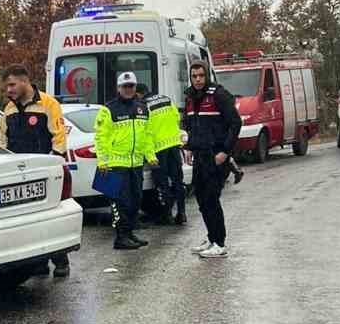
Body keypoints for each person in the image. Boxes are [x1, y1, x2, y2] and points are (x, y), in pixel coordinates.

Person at [0, 65, 71, 278]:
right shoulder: (9, 109)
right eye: (6, 86)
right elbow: (2, 141)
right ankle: (38, 262)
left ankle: (60, 260)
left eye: (11, 85)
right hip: (18, 174)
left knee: (51, 217)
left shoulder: (48, 104)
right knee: (27, 220)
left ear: (25, 81)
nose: (8, 90)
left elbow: (59, 137)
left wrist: (54, 165)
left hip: (44, 172)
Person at [183, 60, 243, 259]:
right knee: (201, 199)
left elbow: (235, 123)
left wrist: (225, 152)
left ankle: (220, 243)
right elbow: (189, 124)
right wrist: (188, 146)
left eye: (201, 75)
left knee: (211, 199)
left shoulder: (218, 94)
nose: (198, 79)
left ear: (206, 75)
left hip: (216, 156)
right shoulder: (190, 97)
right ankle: (211, 238)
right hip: (199, 156)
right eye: (194, 76)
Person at [94, 71, 157, 250]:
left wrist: (150, 156)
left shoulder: (143, 108)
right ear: (118, 88)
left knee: (136, 200)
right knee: (121, 202)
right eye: (125, 86)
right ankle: (120, 237)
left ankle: (129, 233)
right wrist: (103, 162)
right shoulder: (108, 109)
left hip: (136, 163)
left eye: (131, 86)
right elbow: (101, 138)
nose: (128, 89)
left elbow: (147, 136)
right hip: (115, 164)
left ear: (135, 87)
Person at [145, 84, 186, 226]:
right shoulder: (166, 99)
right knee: (178, 181)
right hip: (174, 145)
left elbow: (147, 132)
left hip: (159, 149)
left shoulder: (144, 106)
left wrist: (150, 155)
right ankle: (181, 213)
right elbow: (176, 118)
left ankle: (166, 215)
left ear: (139, 94)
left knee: (162, 184)